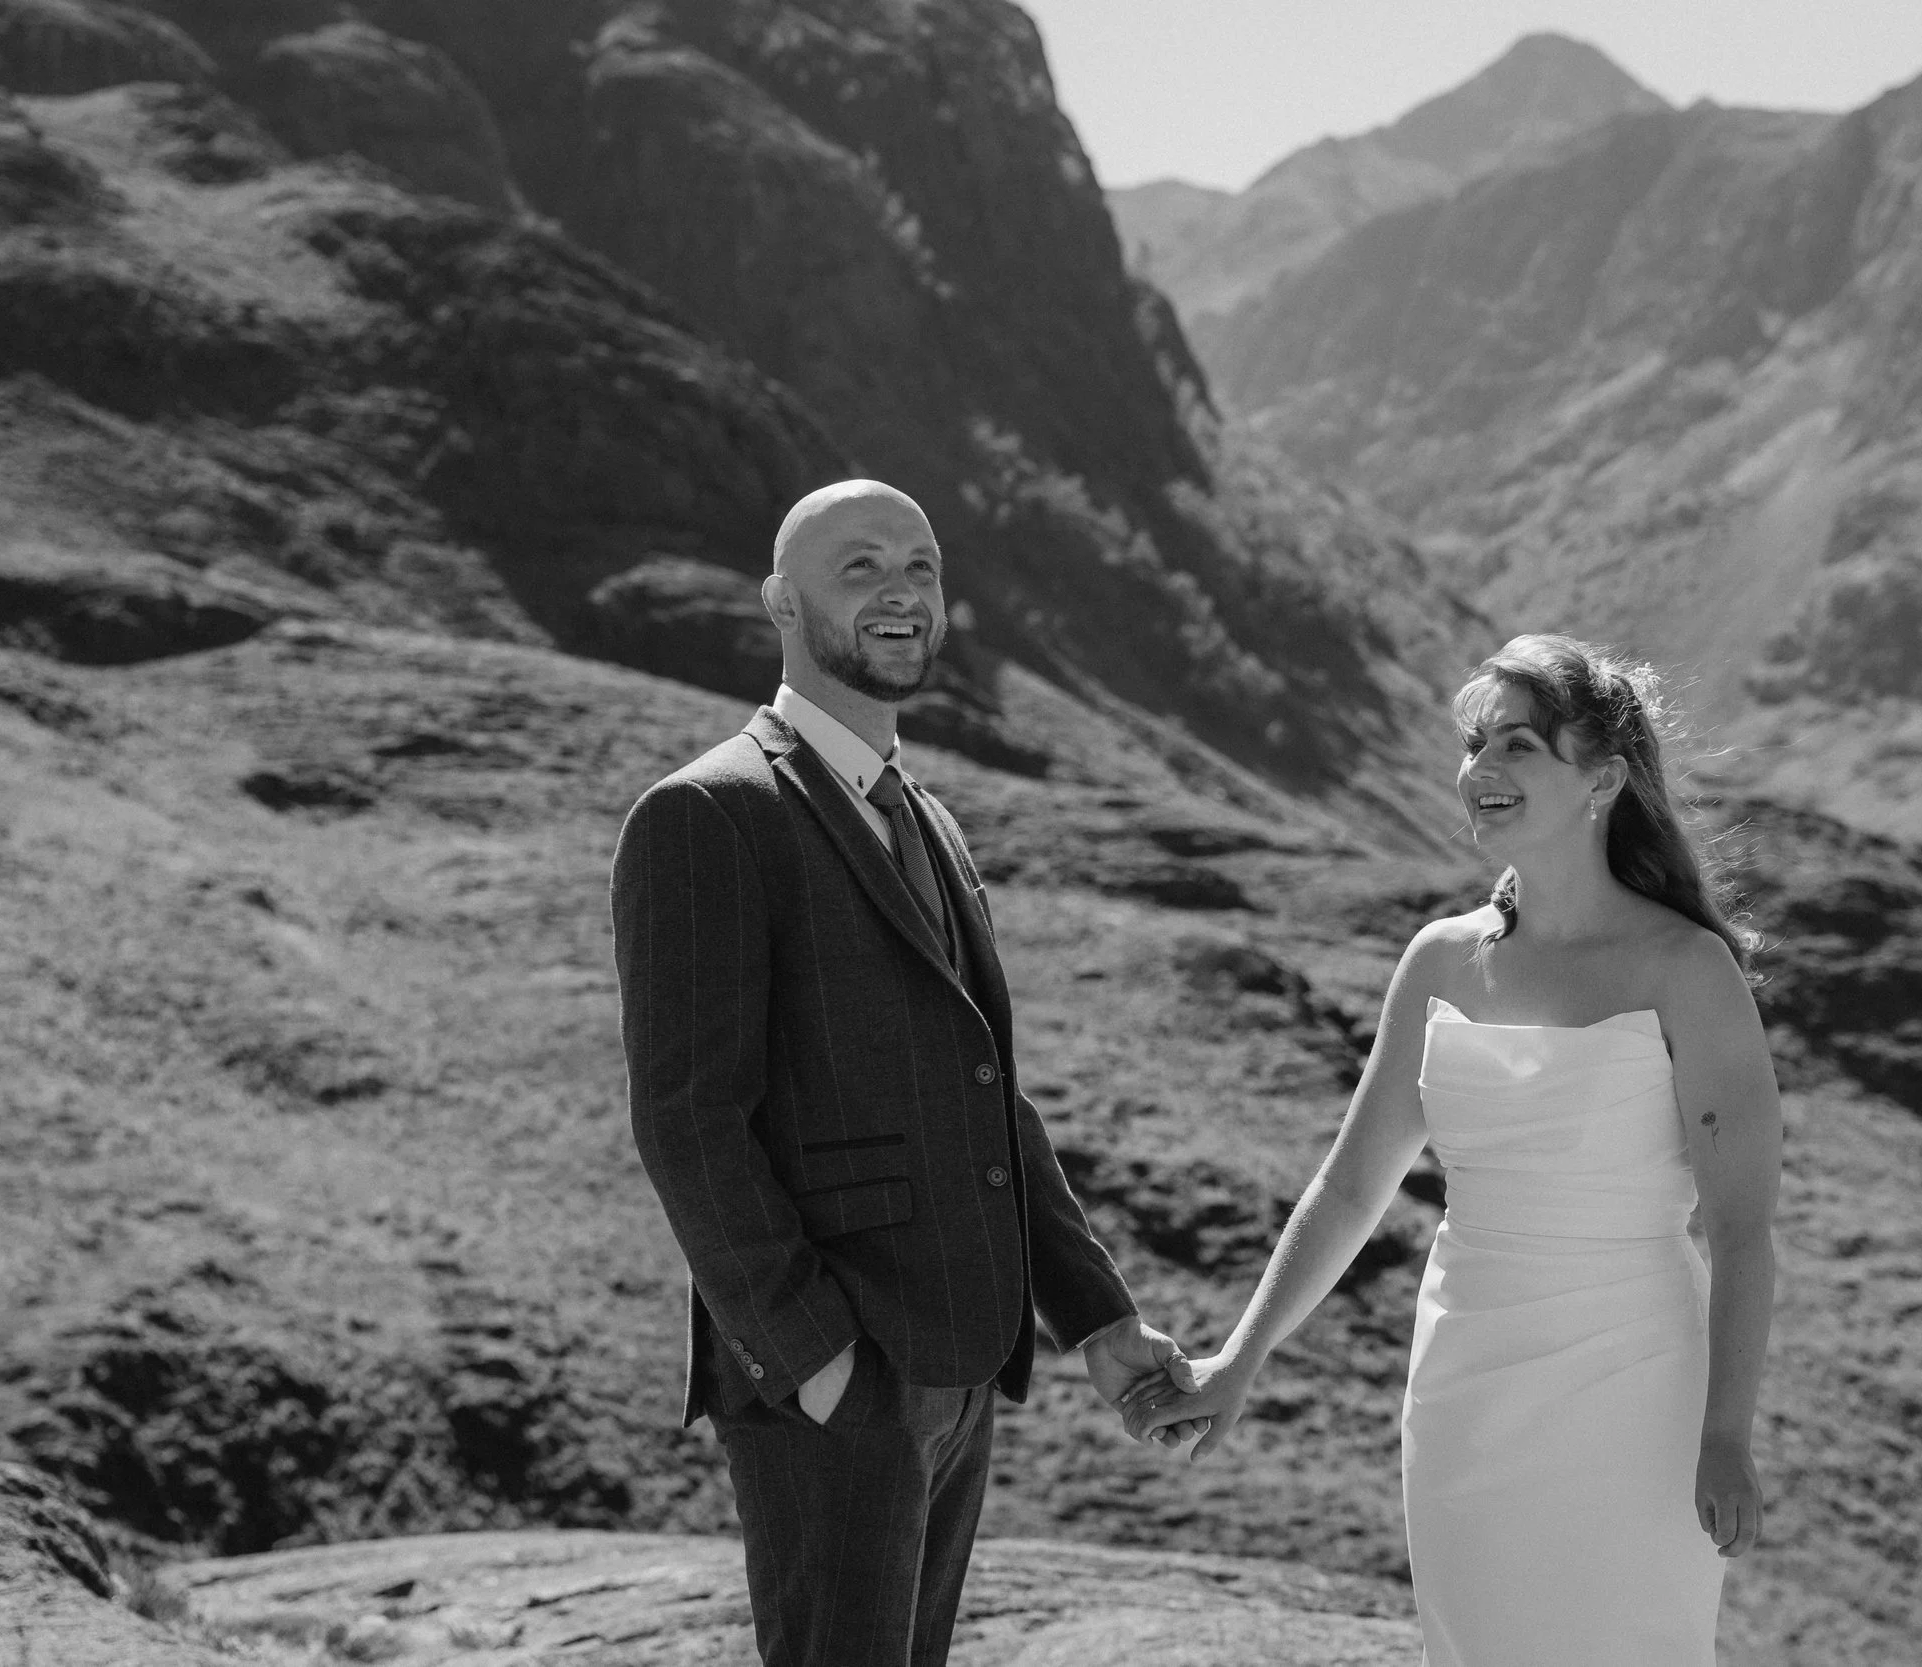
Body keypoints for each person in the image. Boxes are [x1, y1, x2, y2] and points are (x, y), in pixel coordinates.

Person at [610, 479, 1195, 1667]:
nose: (900, 593)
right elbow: (686, 1120)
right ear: (782, 602)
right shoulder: (705, 814)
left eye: (920, 567)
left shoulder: (924, 816)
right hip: (836, 1384)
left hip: (959, 1371)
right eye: (860, 566)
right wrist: (820, 1365)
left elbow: (988, 1092)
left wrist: (1097, 1316)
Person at [1126, 633, 1781, 1667]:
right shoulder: (1438, 960)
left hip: (1638, 1391)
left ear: (1603, 778)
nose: (1478, 771)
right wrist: (1237, 1359)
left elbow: (1744, 1231)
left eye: (1517, 744)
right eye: (1475, 744)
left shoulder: (1686, 969)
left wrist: (1724, 1434)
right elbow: (1348, 1188)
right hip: (1464, 1389)